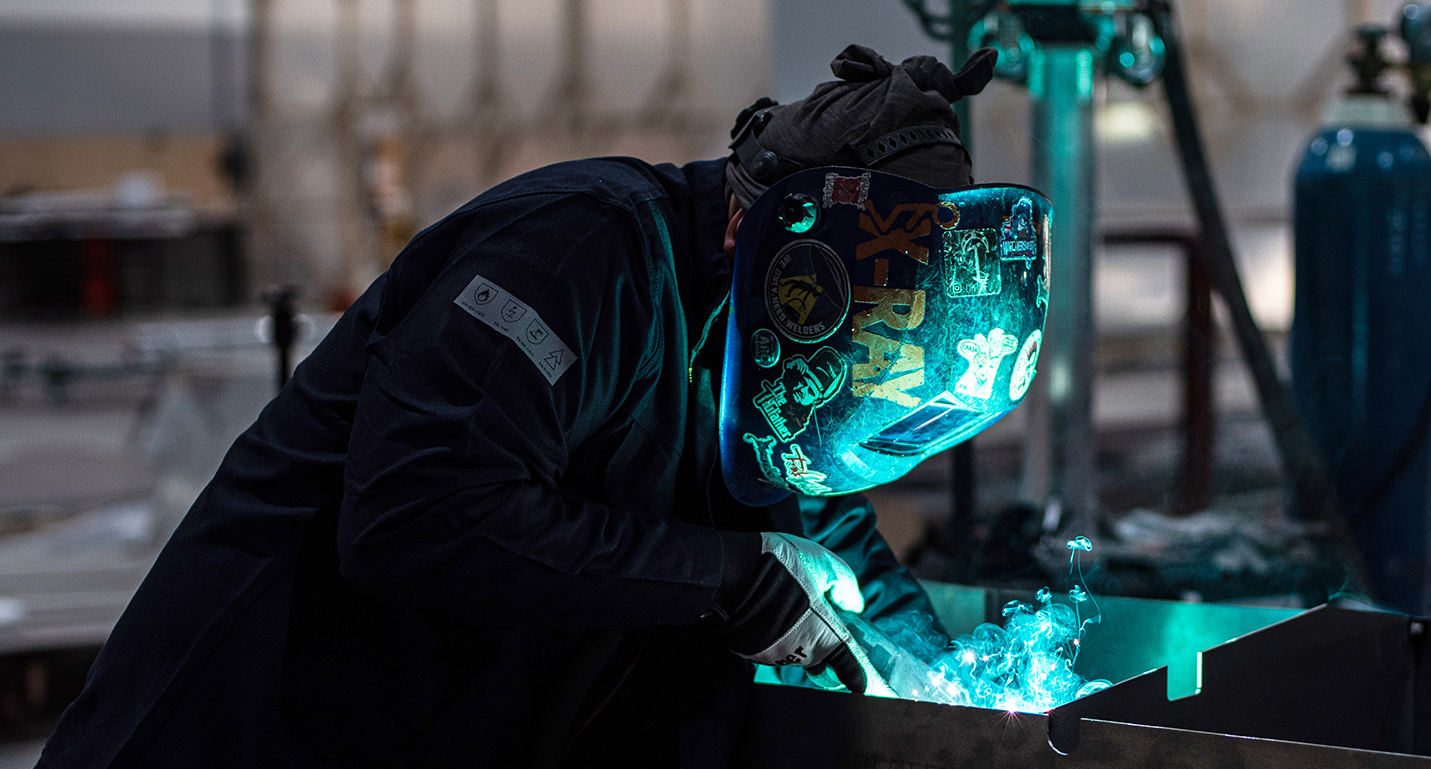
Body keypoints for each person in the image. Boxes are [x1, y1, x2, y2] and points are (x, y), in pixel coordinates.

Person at [38, 44, 1004, 768]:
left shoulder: (767, 355)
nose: (842, 353)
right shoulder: (583, 255)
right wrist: (718, 573)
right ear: (779, 238)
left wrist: (932, 682)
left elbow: (823, 521)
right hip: (245, 723)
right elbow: (415, 513)